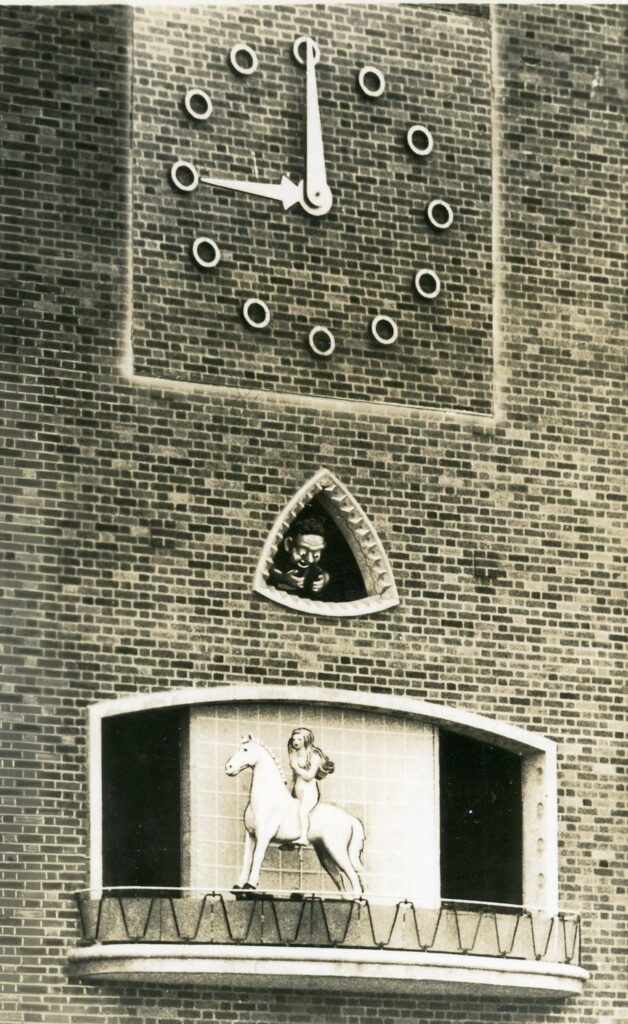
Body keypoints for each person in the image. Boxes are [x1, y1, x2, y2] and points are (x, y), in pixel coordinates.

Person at [287, 727, 335, 846]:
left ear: (306, 740)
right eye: (294, 739)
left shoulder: (314, 756)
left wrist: (296, 768)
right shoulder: (295, 755)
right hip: (298, 790)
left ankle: (304, 837)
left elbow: (309, 776)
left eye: (299, 739)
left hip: (309, 791)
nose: (295, 742)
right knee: (292, 812)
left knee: (303, 812)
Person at [268, 516, 330, 597]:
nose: (310, 559)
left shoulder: (313, 568)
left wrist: (325, 579)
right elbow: (269, 571)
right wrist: (283, 578)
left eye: (316, 554)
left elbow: (324, 573)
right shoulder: (279, 560)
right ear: (289, 544)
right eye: (303, 553)